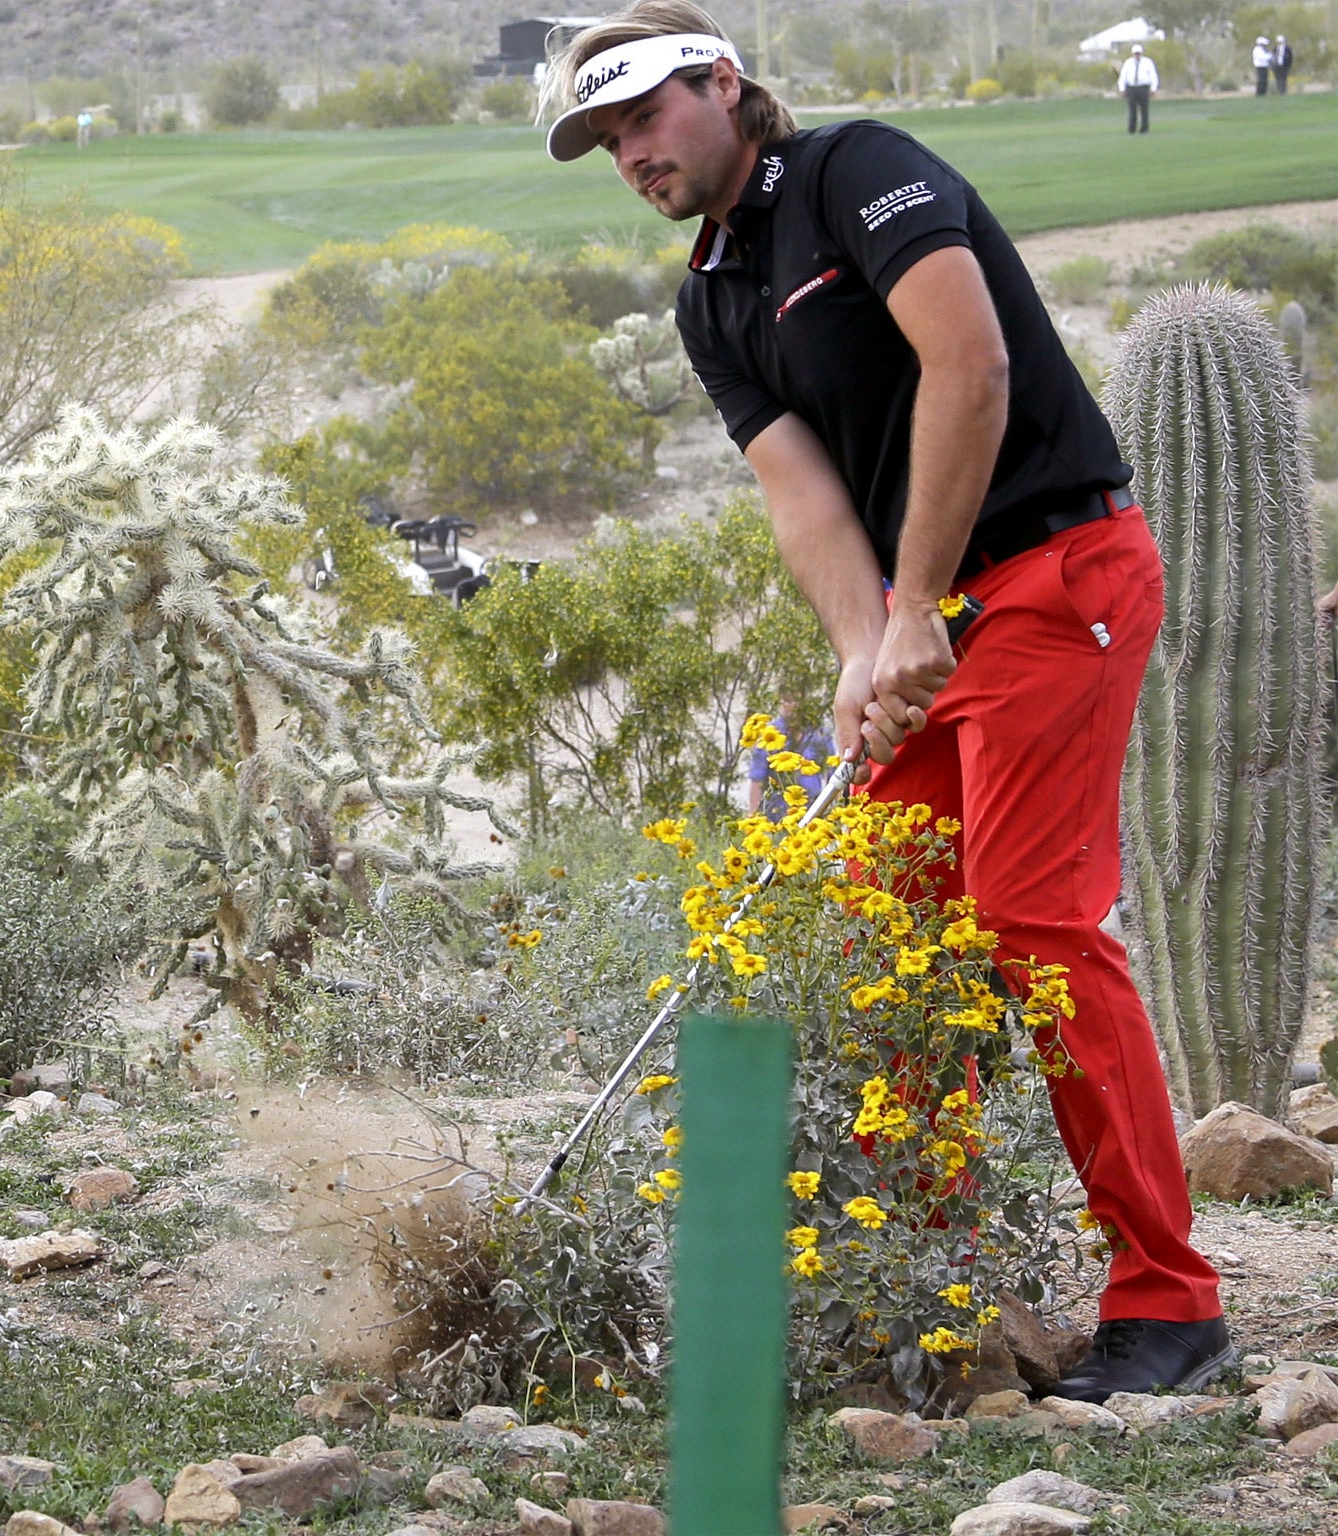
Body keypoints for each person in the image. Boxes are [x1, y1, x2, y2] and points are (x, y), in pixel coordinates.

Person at [542, 0, 1230, 1403]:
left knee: (1034, 926)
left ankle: (1171, 1302)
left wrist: (918, 605)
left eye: (645, 116)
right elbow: (802, 497)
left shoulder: (857, 171)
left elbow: (968, 368)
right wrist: (867, 652)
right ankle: (925, 1284)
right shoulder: (710, 295)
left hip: (1058, 572)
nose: (630, 153)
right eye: (606, 138)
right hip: (936, 617)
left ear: (722, 86)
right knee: (884, 939)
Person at [746, 693, 830, 813]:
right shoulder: (769, 734)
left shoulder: (819, 734)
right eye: (787, 701)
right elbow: (756, 780)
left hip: (813, 809)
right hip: (777, 811)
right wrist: (753, 817)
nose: (793, 706)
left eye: (797, 701)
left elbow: (833, 772)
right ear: (780, 702)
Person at [1118, 43, 1158, 134]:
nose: (1137, 55)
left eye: (1138, 53)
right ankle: (1132, 129)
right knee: (1132, 109)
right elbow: (1123, 76)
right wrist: (1122, 89)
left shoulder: (1148, 62)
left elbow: (1153, 76)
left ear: (1141, 53)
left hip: (1143, 87)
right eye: (1135, 53)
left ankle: (1144, 129)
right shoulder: (1128, 62)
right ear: (1133, 54)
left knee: (1144, 109)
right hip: (1132, 88)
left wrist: (1153, 89)